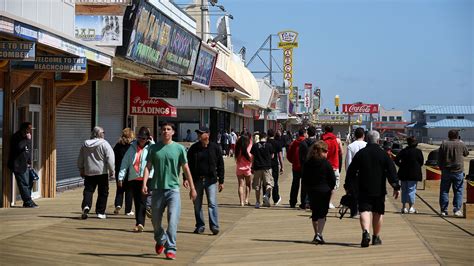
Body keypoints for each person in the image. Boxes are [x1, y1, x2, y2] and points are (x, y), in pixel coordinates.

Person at [142, 122, 197, 260]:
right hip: (157, 189)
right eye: (163, 129)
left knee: (173, 220)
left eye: (168, 129)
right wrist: (144, 183)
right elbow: (148, 167)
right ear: (161, 132)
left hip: (173, 190)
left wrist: (192, 188)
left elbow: (186, 169)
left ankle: (171, 248)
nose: (166, 131)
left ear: (173, 132)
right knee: (155, 221)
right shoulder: (154, 148)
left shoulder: (179, 149)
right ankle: (161, 239)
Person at [345, 130, 400, 247]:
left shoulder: (361, 153)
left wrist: (349, 185)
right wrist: (396, 186)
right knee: (378, 212)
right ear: (378, 140)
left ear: (366, 139)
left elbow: (351, 171)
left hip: (363, 187)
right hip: (379, 189)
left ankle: (366, 232)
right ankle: (376, 237)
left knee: (364, 210)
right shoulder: (383, 154)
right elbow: (391, 171)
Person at [187, 126, 225, 235]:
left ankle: (214, 226)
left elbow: (220, 165)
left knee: (212, 204)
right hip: (197, 180)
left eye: (201, 133)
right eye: (198, 133)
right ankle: (200, 225)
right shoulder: (194, 148)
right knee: (197, 204)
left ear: (207, 134)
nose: (199, 135)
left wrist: (221, 181)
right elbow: (187, 164)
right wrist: (186, 178)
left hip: (211, 180)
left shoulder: (215, 147)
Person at [118, 127, 154, 232]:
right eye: (140, 138)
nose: (141, 140)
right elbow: (125, 162)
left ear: (148, 138)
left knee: (144, 201)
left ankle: (146, 215)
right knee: (138, 202)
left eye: (144, 138)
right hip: (135, 178)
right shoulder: (132, 147)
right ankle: (139, 223)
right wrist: (121, 177)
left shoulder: (152, 147)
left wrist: (152, 142)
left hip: (148, 178)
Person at [302, 141, 336, 244]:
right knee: (322, 214)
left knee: (315, 213)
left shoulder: (308, 162)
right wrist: (331, 188)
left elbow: (304, 178)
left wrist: (307, 189)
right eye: (325, 151)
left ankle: (316, 233)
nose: (327, 153)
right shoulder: (326, 163)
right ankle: (319, 234)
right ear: (322, 151)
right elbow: (332, 179)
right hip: (324, 191)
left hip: (312, 190)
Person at [77, 126, 115, 219]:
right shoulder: (104, 144)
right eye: (103, 132)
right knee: (103, 192)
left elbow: (80, 158)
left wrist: (81, 168)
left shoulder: (85, 144)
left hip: (89, 171)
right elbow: (110, 158)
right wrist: (112, 170)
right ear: (99, 134)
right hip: (101, 172)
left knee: (88, 190)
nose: (104, 134)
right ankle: (100, 212)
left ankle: (86, 205)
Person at [437, 129, 469, 217]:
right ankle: (457, 209)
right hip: (458, 171)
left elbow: (439, 157)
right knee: (458, 191)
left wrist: (441, 167)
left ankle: (444, 210)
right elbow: (466, 153)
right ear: (457, 136)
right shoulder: (461, 144)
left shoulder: (444, 144)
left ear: (449, 136)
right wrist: (461, 141)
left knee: (444, 191)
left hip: (446, 170)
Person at [8, 122, 37, 208]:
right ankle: (27, 202)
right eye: (29, 129)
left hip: (25, 164)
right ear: (24, 129)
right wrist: (27, 140)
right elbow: (19, 147)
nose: (30, 131)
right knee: (23, 184)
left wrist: (29, 161)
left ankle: (28, 200)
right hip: (18, 165)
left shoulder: (25, 138)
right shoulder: (17, 137)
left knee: (29, 183)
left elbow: (27, 150)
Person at [394, 136, 424, 214]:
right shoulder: (418, 151)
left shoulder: (403, 151)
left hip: (403, 173)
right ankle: (411, 207)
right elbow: (421, 162)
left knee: (404, 190)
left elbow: (396, 160)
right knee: (411, 190)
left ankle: (404, 207)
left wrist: (401, 165)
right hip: (414, 174)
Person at [344, 127, 366, 218]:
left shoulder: (351, 146)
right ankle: (363, 211)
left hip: (354, 173)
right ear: (363, 135)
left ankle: (354, 212)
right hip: (365, 173)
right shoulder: (367, 145)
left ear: (354, 135)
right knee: (364, 192)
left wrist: (348, 174)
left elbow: (348, 162)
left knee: (353, 193)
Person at [113, 128, 135, 216]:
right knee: (129, 191)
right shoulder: (133, 146)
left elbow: (113, 156)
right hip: (130, 170)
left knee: (120, 189)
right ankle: (128, 210)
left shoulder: (118, 145)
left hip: (119, 169)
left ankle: (118, 204)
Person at [251, 132, 274, 208]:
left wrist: (252, 166)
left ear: (259, 137)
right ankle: (266, 195)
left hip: (257, 167)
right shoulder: (269, 145)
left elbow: (253, 157)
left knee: (257, 186)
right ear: (266, 137)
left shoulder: (255, 146)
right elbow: (272, 156)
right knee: (269, 184)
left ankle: (257, 202)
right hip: (267, 167)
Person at [299, 126, 318, 210]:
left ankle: (303, 203)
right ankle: (312, 202)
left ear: (308, 133)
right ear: (315, 133)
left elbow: (300, 156)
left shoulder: (303, 143)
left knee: (304, 186)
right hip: (316, 167)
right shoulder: (317, 143)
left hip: (305, 166)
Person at [321, 125, 341, 209]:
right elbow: (341, 152)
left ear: (325, 130)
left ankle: (323, 201)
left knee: (323, 183)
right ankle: (329, 202)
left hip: (323, 165)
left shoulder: (322, 140)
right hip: (334, 165)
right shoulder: (337, 140)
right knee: (334, 184)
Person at [287, 129, 306, 208]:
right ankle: (303, 202)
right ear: (304, 134)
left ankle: (292, 202)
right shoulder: (306, 142)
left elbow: (289, 155)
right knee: (304, 185)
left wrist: (293, 161)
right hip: (304, 166)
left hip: (295, 166)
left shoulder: (294, 142)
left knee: (295, 184)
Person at [235, 134, 253, 206]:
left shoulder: (238, 148)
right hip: (248, 169)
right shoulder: (249, 147)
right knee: (248, 185)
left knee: (240, 185)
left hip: (239, 168)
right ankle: (246, 200)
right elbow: (252, 157)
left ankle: (241, 202)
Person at [267, 129, 283, 206]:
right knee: (275, 181)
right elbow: (280, 156)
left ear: (267, 135)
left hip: (266, 164)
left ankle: (266, 197)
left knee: (266, 182)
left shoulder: (266, 143)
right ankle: (276, 199)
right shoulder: (277, 143)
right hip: (274, 164)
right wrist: (282, 166)